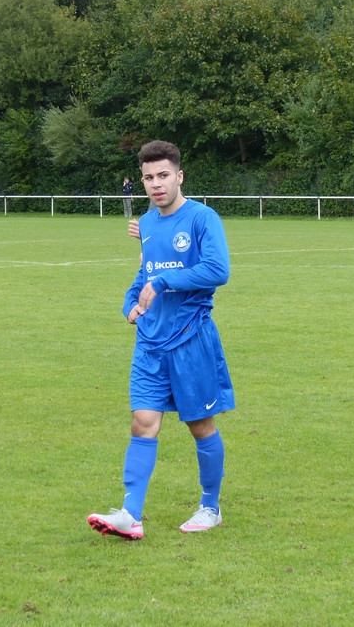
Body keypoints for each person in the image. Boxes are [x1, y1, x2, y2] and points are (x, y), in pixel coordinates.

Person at [88, 140, 234, 539]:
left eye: (164, 175)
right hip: (150, 342)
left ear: (179, 176)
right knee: (142, 422)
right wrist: (130, 301)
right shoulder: (147, 224)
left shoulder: (203, 218)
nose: (156, 184)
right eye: (149, 177)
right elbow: (146, 274)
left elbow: (218, 270)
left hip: (190, 339)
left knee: (200, 425)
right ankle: (130, 514)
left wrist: (166, 281)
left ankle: (210, 507)